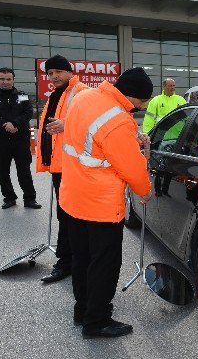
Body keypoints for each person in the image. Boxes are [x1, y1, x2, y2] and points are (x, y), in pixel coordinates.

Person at [59, 67, 153, 339]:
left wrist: (129, 141)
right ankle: (97, 321)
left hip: (73, 197)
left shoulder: (84, 98)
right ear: (133, 97)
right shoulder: (120, 121)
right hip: (100, 205)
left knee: (81, 258)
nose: (142, 107)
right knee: (104, 264)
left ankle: (83, 310)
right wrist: (144, 192)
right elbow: (133, 170)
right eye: (143, 102)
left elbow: (91, 140)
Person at [36, 55, 88, 283]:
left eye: (58, 71)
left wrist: (67, 125)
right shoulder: (56, 95)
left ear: (69, 72)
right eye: (50, 73)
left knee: (72, 217)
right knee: (65, 215)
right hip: (60, 166)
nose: (54, 76)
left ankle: (69, 263)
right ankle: (69, 261)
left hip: (74, 167)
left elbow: (94, 123)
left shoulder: (82, 92)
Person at [0, 68, 41, 209]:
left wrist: (14, 123)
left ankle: (29, 199)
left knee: (24, 171)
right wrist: (6, 125)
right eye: (2, 79)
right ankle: (9, 198)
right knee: (3, 171)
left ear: (13, 79)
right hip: (0, 141)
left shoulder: (22, 96)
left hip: (20, 140)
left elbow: (28, 112)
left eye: (8, 79)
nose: (5, 82)